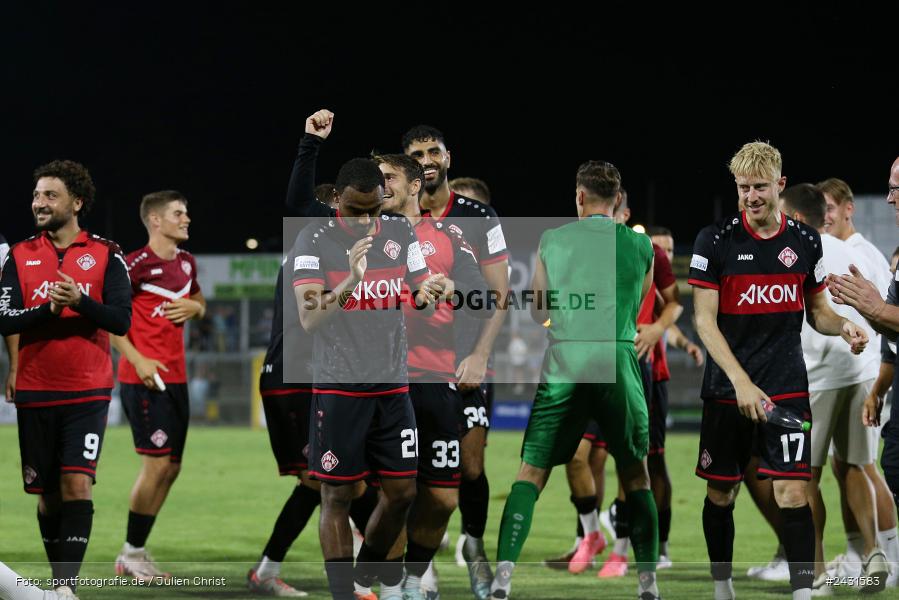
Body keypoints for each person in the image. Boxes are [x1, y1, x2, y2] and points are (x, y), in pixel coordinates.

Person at [690, 142, 870, 600]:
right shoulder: (715, 240)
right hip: (728, 391)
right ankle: (722, 587)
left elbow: (818, 312)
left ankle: (803, 592)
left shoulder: (805, 242)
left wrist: (844, 325)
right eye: (744, 188)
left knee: (793, 493)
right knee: (721, 496)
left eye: (760, 187)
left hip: (788, 386)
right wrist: (741, 382)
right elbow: (704, 322)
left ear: (780, 186)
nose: (751, 197)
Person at [490, 160, 662, 600]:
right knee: (636, 474)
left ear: (580, 197)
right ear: (618, 200)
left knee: (532, 472)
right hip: (619, 359)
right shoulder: (642, 248)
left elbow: (539, 311)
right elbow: (640, 302)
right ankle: (648, 583)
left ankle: (502, 579)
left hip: (566, 360)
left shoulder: (553, 240)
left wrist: (560, 326)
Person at [292, 156, 440, 600]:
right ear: (337, 199)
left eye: (375, 209)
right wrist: (351, 282)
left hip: (393, 386)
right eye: (356, 211)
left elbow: (421, 296)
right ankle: (344, 594)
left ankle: (361, 575)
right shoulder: (313, 238)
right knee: (336, 499)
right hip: (339, 389)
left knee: (402, 493)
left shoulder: (399, 231)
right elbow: (309, 318)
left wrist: (433, 290)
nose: (367, 221)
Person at [0, 160, 132, 600]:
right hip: (36, 390)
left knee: (77, 483)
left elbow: (120, 320)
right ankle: (60, 582)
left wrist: (80, 300)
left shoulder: (107, 253)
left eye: (50, 195)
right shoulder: (18, 255)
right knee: (47, 494)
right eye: (37, 195)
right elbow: (4, 318)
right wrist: (49, 312)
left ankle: (64, 587)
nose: (39, 202)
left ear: (76, 202)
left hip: (88, 389)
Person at [373, 152, 493, 599]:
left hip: (435, 380)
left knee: (443, 496)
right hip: (384, 382)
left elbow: (482, 298)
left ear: (411, 187)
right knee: (395, 495)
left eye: (388, 178)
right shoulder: (362, 236)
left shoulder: (445, 239)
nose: (380, 186)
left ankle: (412, 576)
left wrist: (453, 288)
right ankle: (388, 585)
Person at [403, 126, 510, 600]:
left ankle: (473, 545)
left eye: (432, 151)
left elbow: (500, 295)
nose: (426, 159)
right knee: (407, 474)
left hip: (464, 364)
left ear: (447, 156)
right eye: (416, 154)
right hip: (410, 366)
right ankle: (419, 569)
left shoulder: (478, 216)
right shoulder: (397, 214)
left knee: (468, 467)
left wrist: (480, 354)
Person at [779, 183, 888, 592]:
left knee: (806, 475)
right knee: (856, 465)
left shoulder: (797, 249)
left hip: (818, 374)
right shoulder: (853, 251)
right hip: (860, 369)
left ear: (799, 218)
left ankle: (819, 572)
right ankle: (874, 551)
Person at [109, 191, 205, 582]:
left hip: (177, 379)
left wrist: (196, 308)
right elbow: (110, 320)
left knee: (172, 468)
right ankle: (129, 554)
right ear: (154, 220)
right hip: (144, 379)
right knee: (156, 466)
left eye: (186, 212)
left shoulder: (186, 263)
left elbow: (198, 300)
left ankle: (138, 551)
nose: (186, 219)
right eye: (178, 213)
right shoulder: (133, 265)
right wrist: (137, 359)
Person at [816, 177, 899, 580]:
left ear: (848, 208)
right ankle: (859, 555)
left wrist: (879, 386)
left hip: (863, 372)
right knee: (848, 464)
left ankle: (889, 556)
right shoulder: (839, 249)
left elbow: (887, 318)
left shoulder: (862, 253)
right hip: (858, 373)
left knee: (865, 467)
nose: (825, 216)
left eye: (830, 208)